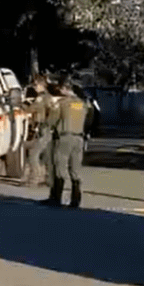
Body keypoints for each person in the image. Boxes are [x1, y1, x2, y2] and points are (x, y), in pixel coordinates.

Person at [45, 80, 96, 208]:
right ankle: (76, 200)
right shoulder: (83, 104)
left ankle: (56, 198)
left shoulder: (62, 104)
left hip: (64, 137)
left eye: (61, 89)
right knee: (75, 170)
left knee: (60, 168)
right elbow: (90, 120)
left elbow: (51, 121)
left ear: (64, 89)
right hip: (79, 138)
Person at [23, 76, 56, 189]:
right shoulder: (48, 97)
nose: (34, 87)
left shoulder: (41, 98)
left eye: (35, 85)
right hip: (47, 128)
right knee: (47, 156)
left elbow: (31, 109)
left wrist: (21, 105)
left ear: (42, 85)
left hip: (43, 128)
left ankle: (34, 179)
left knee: (33, 154)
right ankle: (49, 180)